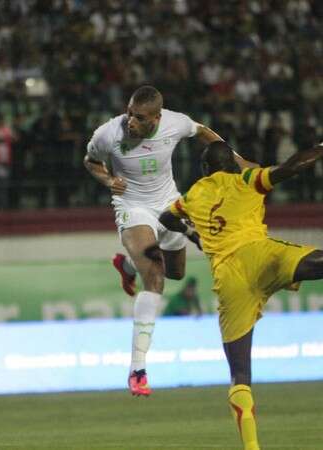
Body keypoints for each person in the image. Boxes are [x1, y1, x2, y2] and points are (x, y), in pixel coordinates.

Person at [84, 85, 256, 396]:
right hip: (133, 207)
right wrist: (109, 179)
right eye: (129, 113)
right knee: (155, 277)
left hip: (169, 205)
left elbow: (203, 132)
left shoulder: (176, 123)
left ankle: (127, 266)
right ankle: (137, 369)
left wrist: (239, 160)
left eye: (139, 118)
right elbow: (90, 161)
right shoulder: (108, 134)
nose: (131, 121)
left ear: (156, 118)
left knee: (175, 272)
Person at [157, 141, 323, 450]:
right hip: (259, 255)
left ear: (205, 169)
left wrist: (193, 234)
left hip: (229, 279)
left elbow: (165, 217)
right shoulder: (245, 179)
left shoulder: (193, 195)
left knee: (240, 374)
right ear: (233, 165)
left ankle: (252, 446)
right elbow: (291, 168)